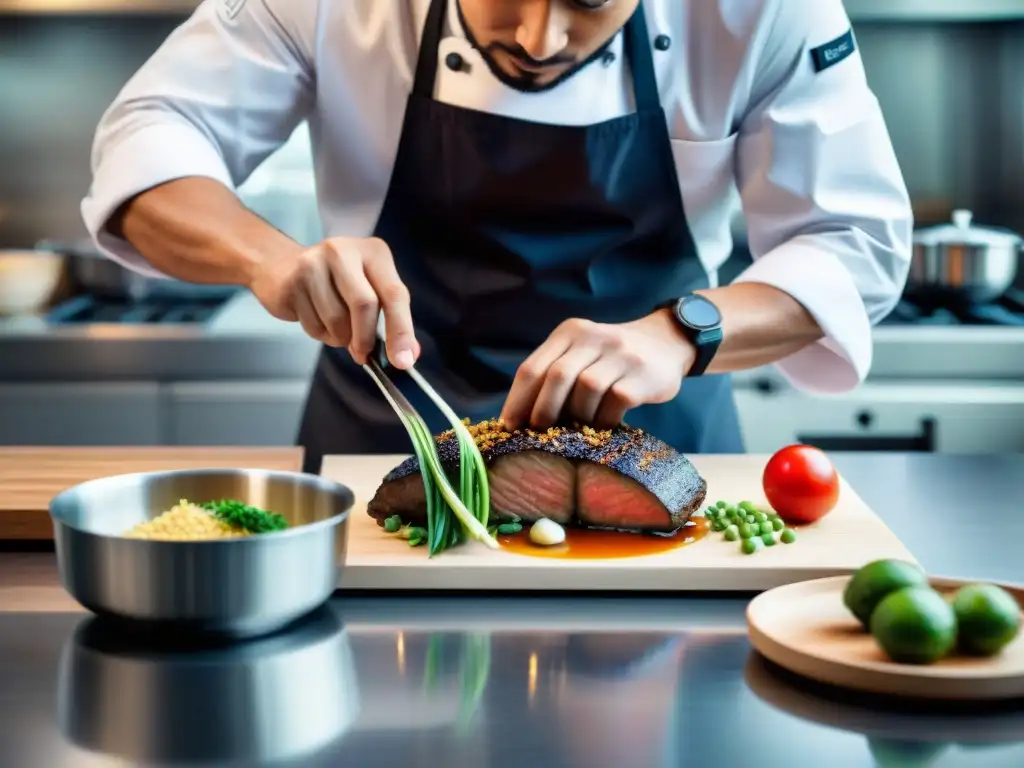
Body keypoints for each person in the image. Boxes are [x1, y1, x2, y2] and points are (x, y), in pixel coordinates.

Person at [81, 0, 912, 473]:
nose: (538, 37)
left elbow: (855, 241)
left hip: (659, 459)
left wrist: (682, 333)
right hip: (384, 455)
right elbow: (152, 133)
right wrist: (272, 259)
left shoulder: (759, 8)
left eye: (588, 0)